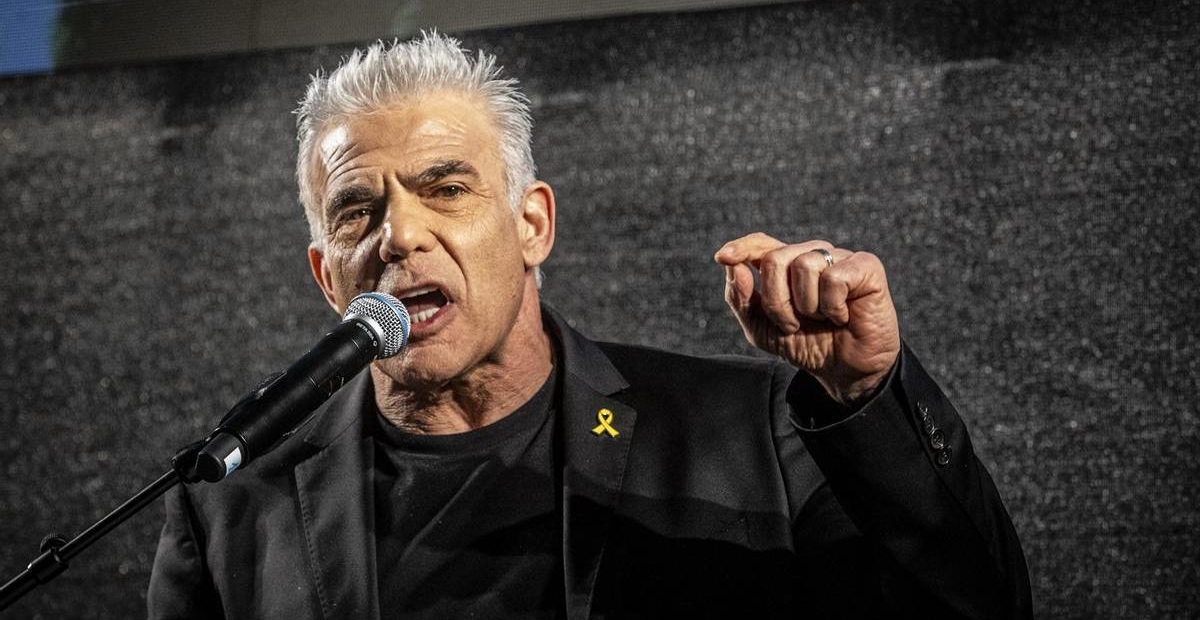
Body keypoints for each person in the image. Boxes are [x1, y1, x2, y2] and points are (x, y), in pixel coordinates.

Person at [148, 32, 1031, 619]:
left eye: (446, 188)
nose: (400, 235)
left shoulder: (753, 432)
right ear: (326, 274)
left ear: (533, 224)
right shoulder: (229, 504)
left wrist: (866, 400)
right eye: (355, 211)